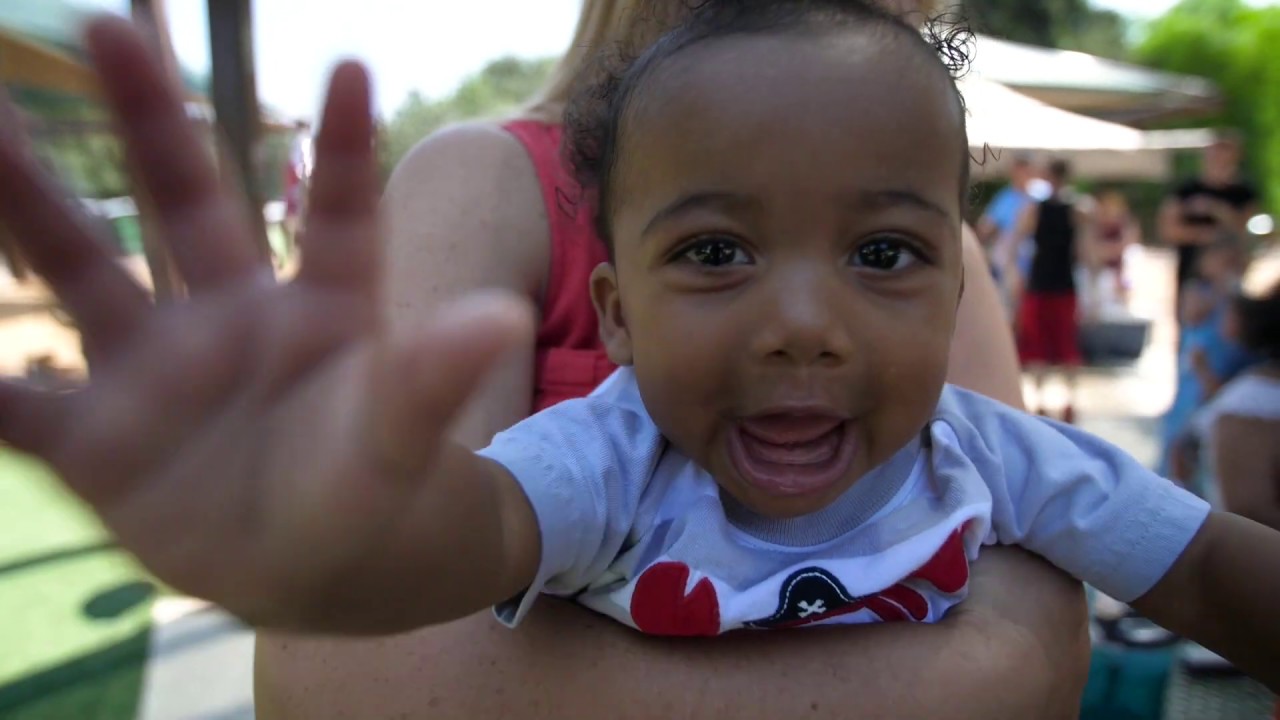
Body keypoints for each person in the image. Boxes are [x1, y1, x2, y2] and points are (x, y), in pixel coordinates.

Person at [2, 0, 1279, 707]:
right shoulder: (609, 460)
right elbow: (450, 543)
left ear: (957, 285)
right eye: (715, 253)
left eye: (882, 255)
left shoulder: (999, 459)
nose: (800, 323)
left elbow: (1215, 575)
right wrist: (310, 536)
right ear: (613, 313)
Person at [1161, 233, 1256, 480]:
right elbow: (1193, 315)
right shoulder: (1197, 289)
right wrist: (1219, 290)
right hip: (1197, 368)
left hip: (1222, 368)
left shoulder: (1239, 297)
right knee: (1184, 426)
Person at [1012, 159, 1089, 422]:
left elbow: (1015, 243)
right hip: (1053, 282)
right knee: (1053, 344)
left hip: (1049, 282)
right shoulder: (1071, 209)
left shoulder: (1051, 209)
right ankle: (1058, 400)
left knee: (1047, 344)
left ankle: (1051, 400)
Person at [1158, 131, 1259, 323]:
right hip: (1192, 273)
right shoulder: (1186, 190)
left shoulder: (1243, 193)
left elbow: (1243, 230)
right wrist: (1206, 235)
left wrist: (1218, 211)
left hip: (1229, 275)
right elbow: (1169, 230)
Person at [1090, 189, 1140, 308]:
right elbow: (1093, 252)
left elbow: (1128, 243)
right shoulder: (1094, 227)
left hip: (1121, 273)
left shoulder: (1123, 226)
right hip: (1099, 275)